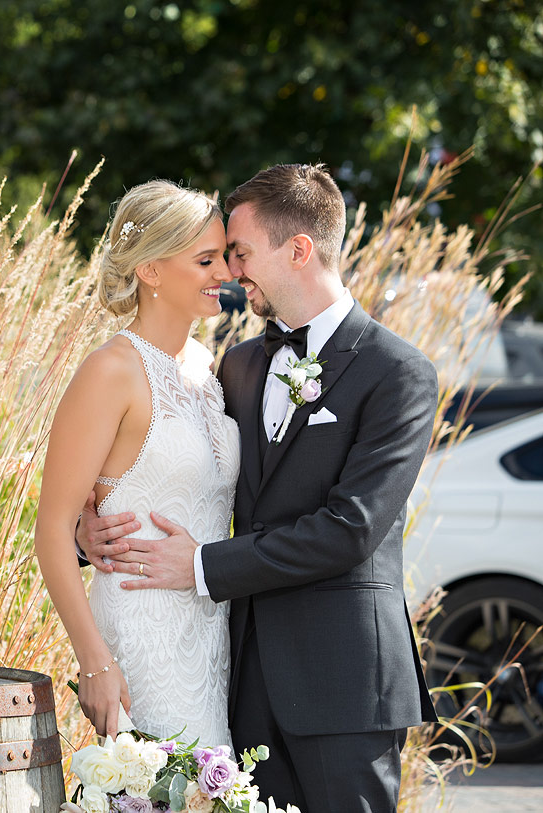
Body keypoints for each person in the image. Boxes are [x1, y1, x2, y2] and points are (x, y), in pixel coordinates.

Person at [76, 164, 439, 813]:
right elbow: (181, 470)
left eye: (239, 252)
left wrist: (199, 564)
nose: (230, 271)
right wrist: (90, 525)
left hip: (344, 684)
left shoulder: (399, 373)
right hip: (237, 683)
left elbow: (350, 528)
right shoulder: (237, 367)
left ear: (298, 249)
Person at [33, 180, 238, 745]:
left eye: (223, 255)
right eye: (205, 259)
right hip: (141, 633)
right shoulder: (111, 371)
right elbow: (52, 530)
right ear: (150, 269)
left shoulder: (206, 367)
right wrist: (95, 661)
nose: (225, 271)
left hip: (210, 633)